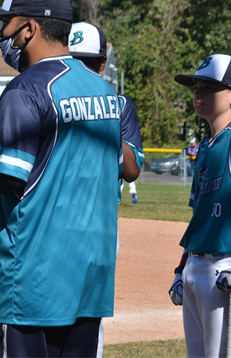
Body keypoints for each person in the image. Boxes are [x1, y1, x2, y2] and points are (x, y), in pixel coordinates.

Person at [0, 0, 122, 357]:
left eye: (6, 25)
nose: (2, 35)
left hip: (35, 278)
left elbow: (5, 174)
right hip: (90, 275)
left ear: (29, 29)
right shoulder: (104, 92)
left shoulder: (26, 88)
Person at [169, 54, 231, 358]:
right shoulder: (206, 145)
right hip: (196, 264)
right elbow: (199, 216)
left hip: (225, 265)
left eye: (209, 88)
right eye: (196, 87)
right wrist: (182, 267)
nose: (198, 93)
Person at [67, 21, 143, 358]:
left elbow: (132, 169)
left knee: (88, 318)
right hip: (56, 216)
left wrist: (108, 116)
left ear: (102, 62)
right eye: (75, 60)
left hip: (99, 224)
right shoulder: (53, 98)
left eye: (90, 61)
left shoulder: (120, 105)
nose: (83, 69)